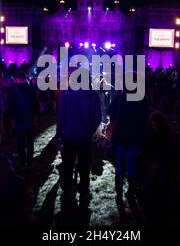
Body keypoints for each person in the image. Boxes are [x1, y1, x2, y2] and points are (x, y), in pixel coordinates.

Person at [108, 77, 149, 222]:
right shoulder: (142, 99)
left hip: (121, 137)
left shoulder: (121, 98)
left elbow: (110, 111)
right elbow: (145, 120)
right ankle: (130, 192)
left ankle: (119, 192)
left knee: (120, 166)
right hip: (135, 139)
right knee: (132, 166)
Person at [56, 70, 101, 200]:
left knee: (68, 163)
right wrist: (90, 128)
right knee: (84, 164)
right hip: (84, 137)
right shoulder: (92, 95)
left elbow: (61, 116)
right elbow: (97, 117)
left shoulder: (66, 94)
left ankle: (66, 185)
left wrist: (59, 133)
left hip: (68, 135)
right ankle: (83, 188)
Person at [11, 71, 38, 168]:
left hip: (18, 119)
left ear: (17, 78)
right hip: (29, 118)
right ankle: (30, 160)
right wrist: (34, 116)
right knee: (30, 141)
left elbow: (11, 106)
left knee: (20, 142)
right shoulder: (31, 88)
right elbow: (36, 103)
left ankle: (22, 161)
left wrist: (12, 119)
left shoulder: (13, 89)